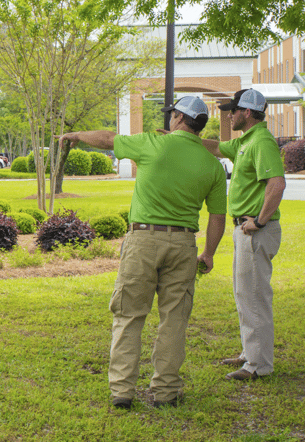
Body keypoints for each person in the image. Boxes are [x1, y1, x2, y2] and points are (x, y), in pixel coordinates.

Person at [57, 96, 227, 410]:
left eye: (172, 114)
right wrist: (209, 253)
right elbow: (217, 216)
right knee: (174, 320)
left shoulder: (152, 144)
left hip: (144, 241)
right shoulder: (212, 165)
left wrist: (75, 136)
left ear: (177, 117)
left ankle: (122, 391)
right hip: (184, 245)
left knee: (129, 315)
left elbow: (108, 139)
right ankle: (165, 392)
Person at [199, 88, 286, 381]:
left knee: (253, 296)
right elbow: (215, 147)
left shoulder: (261, 141)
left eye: (233, 110)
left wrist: (259, 222)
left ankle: (258, 365)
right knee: (244, 293)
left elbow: (277, 184)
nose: (229, 114)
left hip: (255, 231)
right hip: (245, 230)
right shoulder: (245, 142)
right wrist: (182, 137)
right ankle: (250, 353)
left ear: (247, 112)